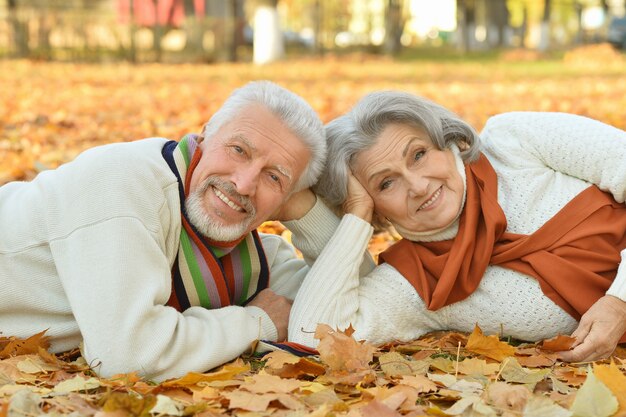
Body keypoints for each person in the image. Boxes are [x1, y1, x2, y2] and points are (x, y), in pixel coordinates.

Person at [0, 80, 331, 382]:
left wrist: (309, 213)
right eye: (239, 150)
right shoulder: (122, 184)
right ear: (204, 137)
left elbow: (350, 306)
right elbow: (128, 356)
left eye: (274, 177)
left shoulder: (247, 255)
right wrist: (257, 322)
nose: (243, 184)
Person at [287, 90, 626, 362]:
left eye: (418, 155)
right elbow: (310, 337)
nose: (418, 185)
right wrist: (347, 216)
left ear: (445, 139)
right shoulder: (418, 281)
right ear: (378, 210)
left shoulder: (513, 143)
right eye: (386, 184)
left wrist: (619, 301)